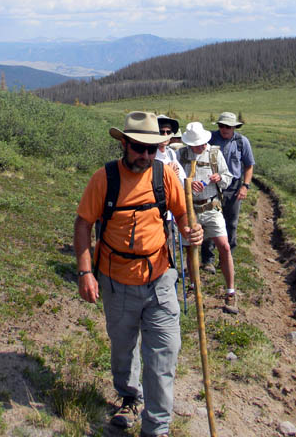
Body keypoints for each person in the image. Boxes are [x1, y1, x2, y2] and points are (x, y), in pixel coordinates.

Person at [74, 111, 203, 437]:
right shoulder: (104, 179)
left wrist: (193, 230)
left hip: (160, 280)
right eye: (138, 147)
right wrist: (85, 272)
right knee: (123, 347)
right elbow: (83, 224)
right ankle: (130, 398)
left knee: (164, 354)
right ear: (124, 144)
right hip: (116, 282)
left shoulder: (164, 176)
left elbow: (183, 215)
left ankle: (156, 429)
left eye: (151, 149)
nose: (145, 155)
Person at [177, 122, 238, 314]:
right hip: (189, 209)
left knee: (225, 246)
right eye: (196, 145)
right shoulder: (181, 155)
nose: (200, 147)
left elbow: (227, 176)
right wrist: (188, 185)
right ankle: (194, 287)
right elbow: (174, 181)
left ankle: (230, 291)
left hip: (211, 207)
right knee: (190, 249)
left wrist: (220, 178)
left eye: (202, 143)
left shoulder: (214, 153)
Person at [201, 111, 255, 273]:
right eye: (222, 126)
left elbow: (249, 165)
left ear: (234, 127)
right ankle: (207, 259)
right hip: (212, 187)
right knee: (209, 223)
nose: (224, 129)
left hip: (233, 188)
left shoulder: (242, 142)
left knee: (231, 223)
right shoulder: (209, 139)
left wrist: (245, 186)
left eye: (228, 127)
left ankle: (226, 258)